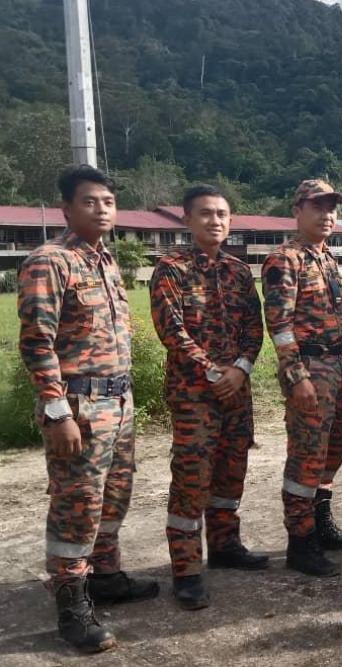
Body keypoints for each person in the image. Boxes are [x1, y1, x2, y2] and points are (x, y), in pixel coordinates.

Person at [18, 165, 158, 653]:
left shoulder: (105, 261)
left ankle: (105, 576)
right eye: (89, 201)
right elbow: (37, 342)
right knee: (76, 505)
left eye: (108, 202)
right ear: (66, 208)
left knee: (114, 496)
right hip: (78, 405)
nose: (101, 210)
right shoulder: (49, 261)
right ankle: (72, 604)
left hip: (118, 400)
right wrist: (57, 411)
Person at [150, 185, 268, 610]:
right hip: (194, 396)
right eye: (205, 213)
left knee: (231, 472)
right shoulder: (171, 268)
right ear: (186, 219)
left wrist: (241, 368)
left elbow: (254, 327)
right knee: (191, 479)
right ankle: (186, 570)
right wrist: (215, 372)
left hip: (237, 390)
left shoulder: (238, 271)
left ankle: (224, 545)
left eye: (221, 214)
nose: (214, 220)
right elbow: (171, 331)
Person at [262, 178, 342, 578]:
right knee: (306, 458)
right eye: (317, 206)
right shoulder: (285, 259)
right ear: (297, 211)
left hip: (335, 369)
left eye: (331, 207)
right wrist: (296, 375)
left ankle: (321, 525)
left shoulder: (327, 258)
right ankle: (300, 543)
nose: (327, 215)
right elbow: (279, 324)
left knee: (331, 455)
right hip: (308, 370)